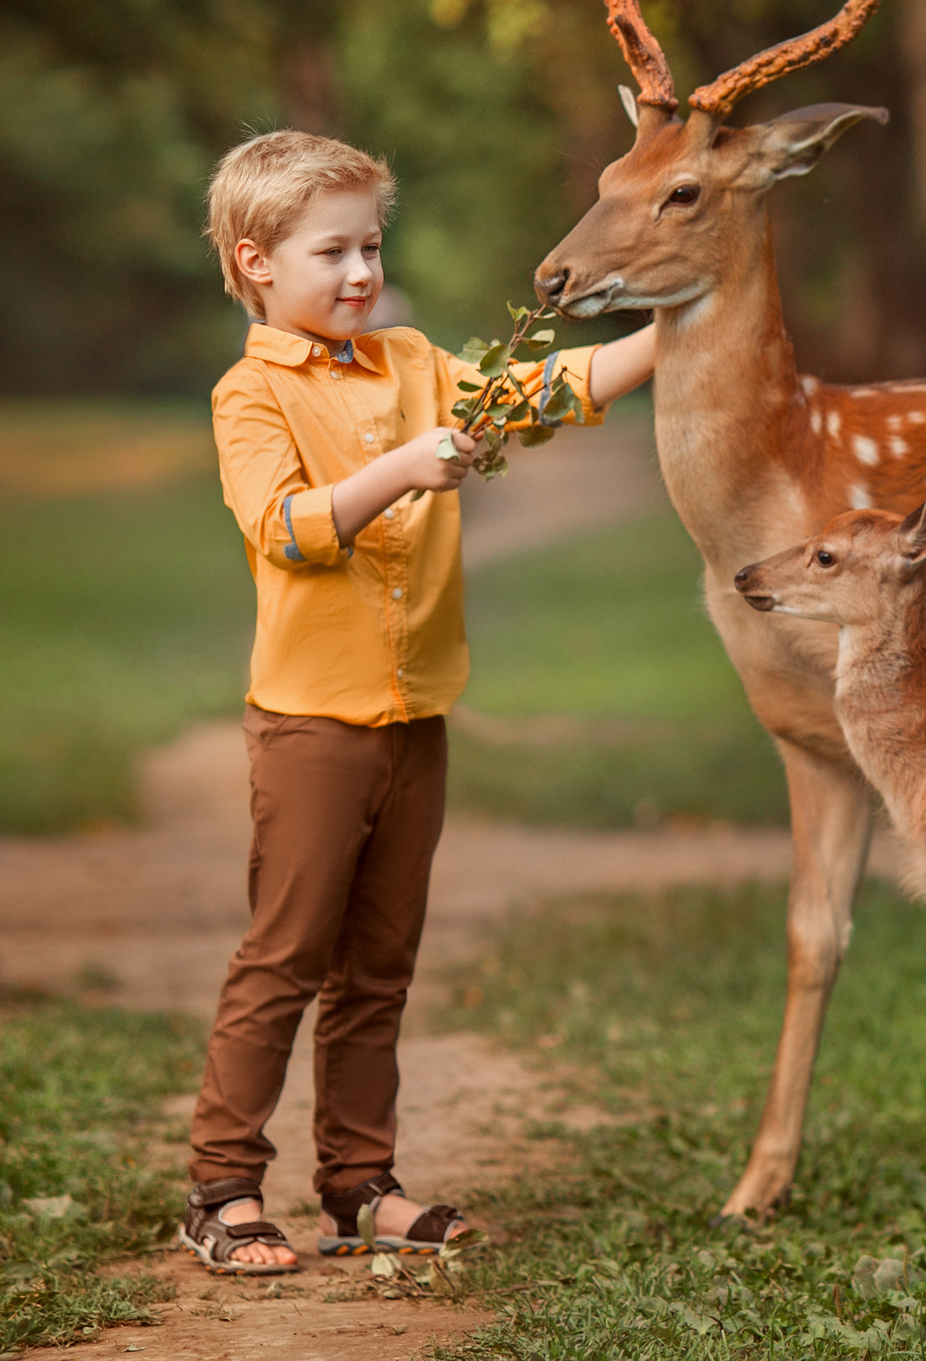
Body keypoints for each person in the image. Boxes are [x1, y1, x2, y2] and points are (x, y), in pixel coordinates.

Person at [180, 130, 657, 1274]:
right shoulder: (248, 395)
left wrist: (672, 334)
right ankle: (220, 1186)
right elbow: (286, 531)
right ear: (254, 262)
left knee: (380, 965)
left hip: (413, 720)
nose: (360, 273)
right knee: (285, 956)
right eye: (331, 252)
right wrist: (401, 469)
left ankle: (357, 1182)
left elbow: (538, 390)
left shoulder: (412, 362)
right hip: (310, 728)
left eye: (371, 247)